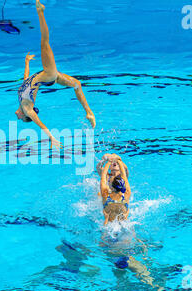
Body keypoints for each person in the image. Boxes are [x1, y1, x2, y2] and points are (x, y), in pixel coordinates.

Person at [15, 0, 96, 149]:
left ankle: (89, 112)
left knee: (77, 84)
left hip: (51, 78)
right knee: (45, 42)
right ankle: (40, 11)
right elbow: (40, 123)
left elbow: (26, 79)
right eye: (21, 118)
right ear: (26, 115)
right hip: (49, 75)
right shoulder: (27, 108)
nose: (18, 116)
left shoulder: (21, 97)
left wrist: (26, 62)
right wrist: (51, 137)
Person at [98, 153, 131, 225]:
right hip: (124, 224)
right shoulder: (126, 192)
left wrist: (110, 161)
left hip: (109, 225)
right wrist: (117, 160)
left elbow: (103, 178)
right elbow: (124, 176)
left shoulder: (105, 194)